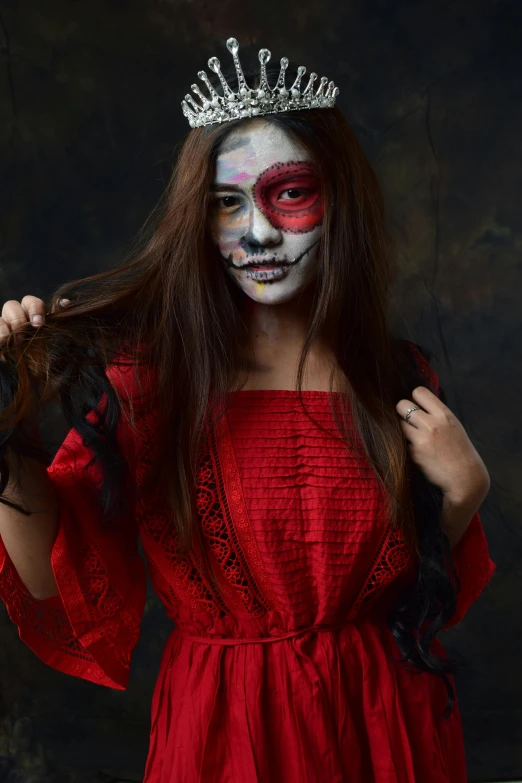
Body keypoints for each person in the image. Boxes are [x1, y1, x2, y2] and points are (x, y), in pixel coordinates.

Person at [0, 37, 495, 782]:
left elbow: (411, 594)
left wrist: (463, 492)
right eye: (227, 202)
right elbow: (46, 575)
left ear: (340, 199)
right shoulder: (149, 381)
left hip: (387, 723)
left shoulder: (394, 374)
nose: (256, 232)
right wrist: (8, 418)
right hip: (226, 731)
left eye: (289, 192)